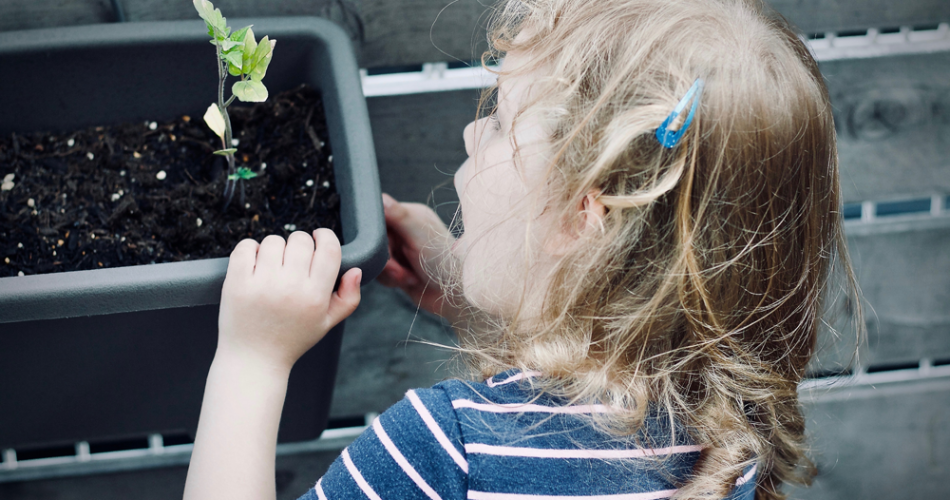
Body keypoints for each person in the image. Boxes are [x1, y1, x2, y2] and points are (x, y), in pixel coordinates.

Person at [183, 0, 860, 499]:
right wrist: (465, 304)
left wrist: (251, 360)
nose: (474, 137)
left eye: (502, 125)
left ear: (581, 214)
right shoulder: (731, 429)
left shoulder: (449, 449)